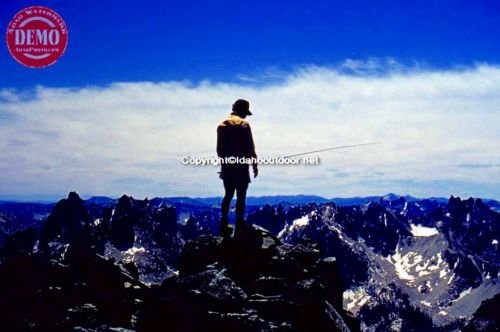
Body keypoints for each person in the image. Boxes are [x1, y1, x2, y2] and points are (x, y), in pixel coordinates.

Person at [217, 99, 258, 236]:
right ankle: (239, 223)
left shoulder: (222, 125)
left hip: (227, 166)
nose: (246, 116)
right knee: (241, 196)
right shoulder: (244, 124)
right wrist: (254, 164)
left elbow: (219, 150)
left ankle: (223, 223)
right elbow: (250, 147)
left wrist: (224, 165)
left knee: (228, 195)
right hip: (241, 166)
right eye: (245, 113)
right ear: (242, 111)